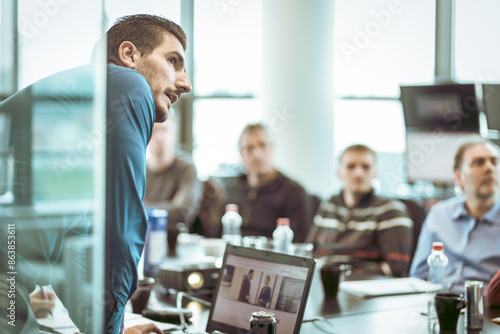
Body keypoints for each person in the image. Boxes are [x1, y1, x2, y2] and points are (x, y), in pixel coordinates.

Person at [0, 14, 191, 334]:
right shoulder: (131, 85)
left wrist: (101, 325)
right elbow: (121, 227)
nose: (185, 83)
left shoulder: (82, 114)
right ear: (129, 55)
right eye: (173, 61)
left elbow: (71, 253)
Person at [306, 144, 413, 277]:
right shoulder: (329, 204)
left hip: (365, 288)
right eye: (351, 166)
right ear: (339, 172)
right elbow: (309, 254)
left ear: (375, 173)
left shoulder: (391, 210)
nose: (358, 173)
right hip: (325, 284)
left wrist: (340, 274)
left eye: (366, 167)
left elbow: (396, 268)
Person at [410, 137, 500, 291]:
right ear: (458, 177)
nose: (489, 168)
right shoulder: (439, 214)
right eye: (478, 162)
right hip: (440, 302)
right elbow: (419, 274)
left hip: (487, 307)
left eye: (494, 162)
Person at [223, 123, 309, 241]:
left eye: (263, 146)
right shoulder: (232, 187)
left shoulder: (293, 192)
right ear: (241, 154)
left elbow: (299, 241)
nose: (257, 154)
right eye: (249, 148)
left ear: (273, 149)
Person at [144, 112, 203, 231]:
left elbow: (183, 211)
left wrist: (142, 208)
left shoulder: (186, 168)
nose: (159, 137)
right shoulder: (137, 170)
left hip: (175, 241)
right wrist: (171, 205)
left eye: (165, 130)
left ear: (174, 134)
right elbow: (126, 210)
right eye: (154, 131)